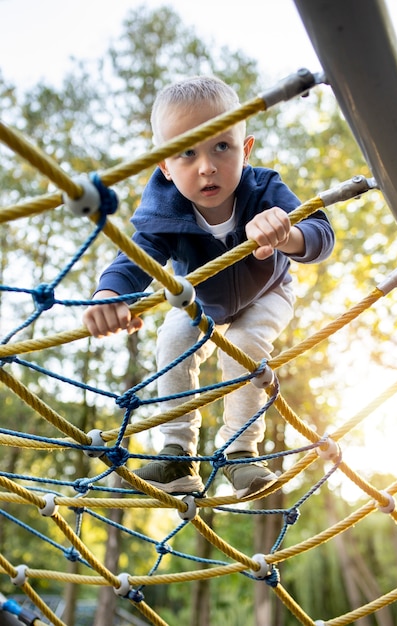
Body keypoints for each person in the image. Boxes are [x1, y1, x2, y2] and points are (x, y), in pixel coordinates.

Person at [83, 75, 335, 498]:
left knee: (246, 344)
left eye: (221, 146)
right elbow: (134, 258)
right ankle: (177, 454)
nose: (207, 166)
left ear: (246, 148)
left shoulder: (264, 189)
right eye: (187, 152)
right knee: (173, 337)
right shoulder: (164, 209)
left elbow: (321, 234)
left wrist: (285, 234)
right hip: (201, 297)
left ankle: (241, 454)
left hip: (268, 291)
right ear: (164, 165)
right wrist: (109, 295)